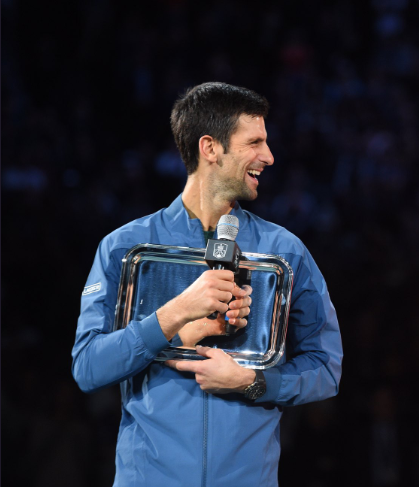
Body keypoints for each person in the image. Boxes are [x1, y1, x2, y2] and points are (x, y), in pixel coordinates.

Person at [72, 82, 343, 487]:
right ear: (210, 148)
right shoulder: (123, 247)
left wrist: (252, 383)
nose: (268, 157)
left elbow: (326, 369)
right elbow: (89, 367)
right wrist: (175, 313)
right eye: (254, 142)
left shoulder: (285, 251)